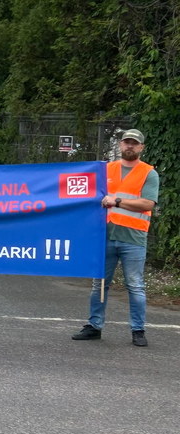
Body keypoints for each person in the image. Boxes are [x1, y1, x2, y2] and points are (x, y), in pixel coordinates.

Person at [72, 129, 158, 347]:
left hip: (133, 237)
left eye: (134, 143)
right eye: (126, 142)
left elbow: (148, 203)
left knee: (135, 286)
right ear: (120, 145)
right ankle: (94, 326)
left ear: (141, 147)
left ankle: (138, 330)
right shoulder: (106, 170)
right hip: (105, 236)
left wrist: (117, 201)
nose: (130, 146)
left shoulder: (148, 173)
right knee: (99, 284)